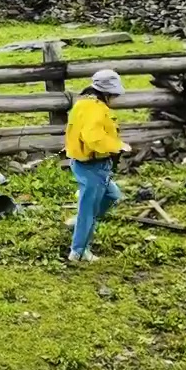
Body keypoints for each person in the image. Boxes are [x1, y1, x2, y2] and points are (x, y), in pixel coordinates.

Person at [64, 69, 130, 262]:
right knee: (89, 210)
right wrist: (118, 146)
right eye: (114, 95)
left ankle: (79, 223)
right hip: (93, 166)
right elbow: (93, 138)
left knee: (112, 195)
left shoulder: (82, 103)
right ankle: (78, 252)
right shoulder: (96, 109)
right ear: (107, 93)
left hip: (83, 164)